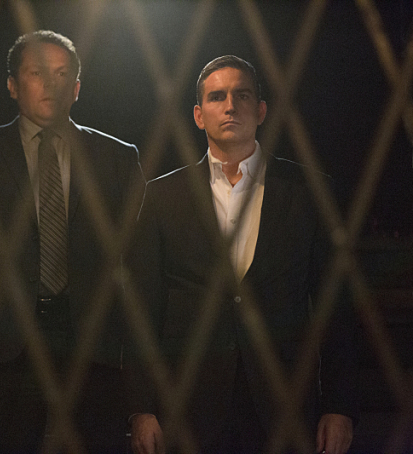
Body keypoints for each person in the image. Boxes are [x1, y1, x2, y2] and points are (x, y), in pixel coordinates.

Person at [127, 55, 358, 454]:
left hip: (285, 406)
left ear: (262, 110)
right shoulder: (162, 195)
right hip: (188, 409)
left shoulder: (309, 192)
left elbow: (336, 306)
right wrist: (140, 409)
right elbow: (141, 309)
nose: (230, 105)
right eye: (217, 97)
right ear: (198, 115)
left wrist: (340, 406)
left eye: (242, 95)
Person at [0, 30, 144, 452]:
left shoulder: (118, 157)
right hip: (5, 341)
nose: (51, 83)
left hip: (95, 342)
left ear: (77, 88)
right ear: (12, 85)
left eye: (62, 74)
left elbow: (139, 256)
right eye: (37, 73)